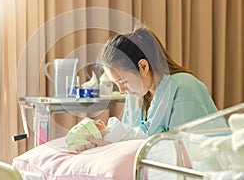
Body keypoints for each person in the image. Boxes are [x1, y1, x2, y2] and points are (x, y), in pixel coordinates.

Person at [83, 27, 227, 149]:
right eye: (117, 84)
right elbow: (130, 137)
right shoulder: (136, 96)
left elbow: (185, 151)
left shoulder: (183, 87)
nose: (121, 90)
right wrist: (107, 141)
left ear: (143, 67)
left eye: (123, 81)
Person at [65, 117, 146, 150]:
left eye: (95, 120)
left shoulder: (114, 128)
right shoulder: (108, 139)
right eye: (96, 125)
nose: (99, 121)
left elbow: (127, 131)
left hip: (144, 139)